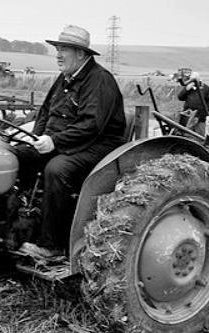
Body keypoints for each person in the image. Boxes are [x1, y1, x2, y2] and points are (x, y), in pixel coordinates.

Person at [15, 25, 126, 262]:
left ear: (81, 54)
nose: (58, 54)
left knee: (57, 169)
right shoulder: (65, 77)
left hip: (97, 146)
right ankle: (21, 217)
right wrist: (37, 137)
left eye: (64, 49)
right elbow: (45, 111)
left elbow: (91, 125)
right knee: (19, 156)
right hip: (66, 141)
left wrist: (54, 141)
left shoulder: (99, 80)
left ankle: (52, 245)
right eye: (57, 48)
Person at [176, 71, 209, 135]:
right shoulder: (188, 87)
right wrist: (186, 89)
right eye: (191, 79)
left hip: (200, 117)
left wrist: (204, 113)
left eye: (193, 79)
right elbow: (180, 97)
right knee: (185, 134)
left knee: (199, 135)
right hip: (187, 115)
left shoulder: (206, 88)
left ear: (198, 79)